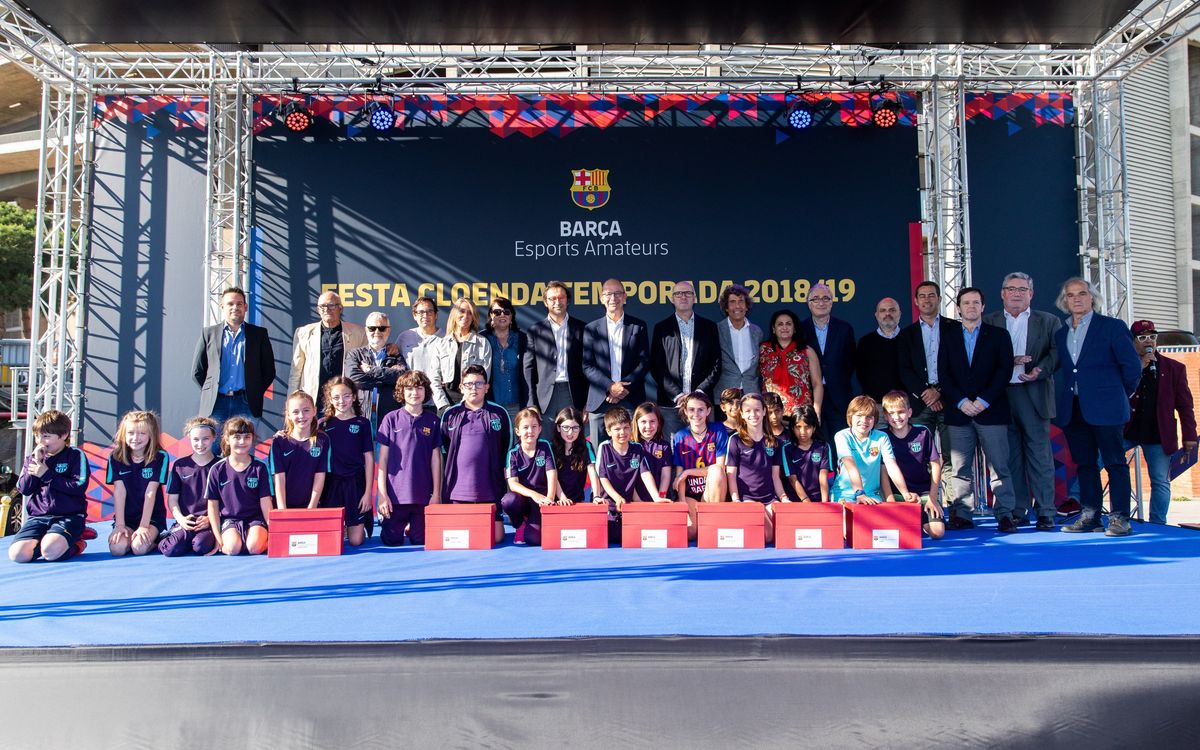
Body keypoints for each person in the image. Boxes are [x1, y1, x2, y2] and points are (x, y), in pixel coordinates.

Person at [1054, 278, 1143, 536]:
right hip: (1074, 408)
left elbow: (1132, 367)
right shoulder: (1062, 334)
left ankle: (1119, 519)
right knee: (1085, 464)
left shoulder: (1112, 327)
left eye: (1082, 294)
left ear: (1092, 298)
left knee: (1115, 463)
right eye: (1071, 295)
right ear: (1065, 301)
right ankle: (1090, 515)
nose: (1077, 299)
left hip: (1108, 408)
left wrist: (1118, 395)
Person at [982, 272, 1063, 529]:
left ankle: (1046, 511)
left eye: (1022, 289)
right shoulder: (989, 321)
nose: (1016, 293)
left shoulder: (1049, 321)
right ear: (1002, 293)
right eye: (1011, 288)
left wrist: (1040, 369)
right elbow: (980, 358)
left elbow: (1057, 353)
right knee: (1010, 458)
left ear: (1031, 293)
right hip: (1001, 397)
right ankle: (1017, 509)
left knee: (1040, 456)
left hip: (1035, 395)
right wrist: (1007, 362)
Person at [940, 287, 1019, 532]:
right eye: (966, 303)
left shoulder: (999, 335)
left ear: (983, 307)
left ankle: (1005, 514)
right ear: (959, 308)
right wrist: (962, 401)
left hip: (992, 410)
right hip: (958, 412)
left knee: (999, 466)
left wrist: (983, 401)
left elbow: (1004, 371)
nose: (971, 306)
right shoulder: (949, 335)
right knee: (960, 468)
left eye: (976, 302)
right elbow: (944, 373)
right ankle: (963, 514)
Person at [1125, 319, 1197, 525]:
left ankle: (1158, 523)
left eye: (1152, 337)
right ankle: (1113, 516)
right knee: (1100, 462)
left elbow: (1185, 406)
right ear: (1133, 342)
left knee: (1160, 481)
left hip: (1158, 433)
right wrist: (1139, 367)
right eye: (1142, 337)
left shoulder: (1174, 368)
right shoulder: (1126, 366)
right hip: (1126, 429)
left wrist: (1190, 436)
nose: (1148, 341)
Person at [441, 364, 511, 544]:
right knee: (458, 538)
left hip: (489, 488)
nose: (474, 388)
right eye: (469, 384)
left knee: (496, 537)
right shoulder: (450, 414)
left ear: (487, 387)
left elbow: (507, 446)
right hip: (458, 490)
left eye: (479, 384)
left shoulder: (499, 413)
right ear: (461, 387)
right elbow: (444, 449)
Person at [9, 410, 91, 563]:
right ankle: (49, 541)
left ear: (64, 435)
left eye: (46, 436)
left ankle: (77, 543)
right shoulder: (34, 458)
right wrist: (35, 463)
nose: (41, 441)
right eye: (37, 436)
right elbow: (24, 489)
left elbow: (78, 486)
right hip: (38, 517)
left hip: (68, 516)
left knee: (51, 552)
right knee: (18, 555)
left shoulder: (75, 455)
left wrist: (47, 475)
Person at [192, 286, 277, 432]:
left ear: (245, 307)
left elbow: (269, 371)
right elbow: (198, 371)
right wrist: (211, 391)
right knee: (213, 451)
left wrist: (253, 391)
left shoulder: (259, 334)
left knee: (244, 450)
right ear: (222, 307)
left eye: (239, 304)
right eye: (230, 304)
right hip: (216, 404)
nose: (235, 307)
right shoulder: (209, 333)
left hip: (246, 403)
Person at [897, 280, 957, 477]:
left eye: (931, 295)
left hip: (950, 400)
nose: (927, 300)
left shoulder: (955, 329)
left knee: (953, 457)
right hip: (921, 403)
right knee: (919, 456)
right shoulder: (906, 334)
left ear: (939, 299)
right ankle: (925, 503)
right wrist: (927, 394)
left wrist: (939, 392)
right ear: (915, 301)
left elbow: (960, 366)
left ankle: (952, 504)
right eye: (922, 296)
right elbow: (904, 369)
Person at [376, 370, 442, 546]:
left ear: (425, 391)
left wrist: (436, 494)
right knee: (392, 541)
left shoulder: (433, 421)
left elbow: (436, 460)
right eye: (409, 389)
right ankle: (392, 523)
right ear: (401, 392)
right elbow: (382, 461)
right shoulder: (390, 419)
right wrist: (382, 496)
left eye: (419, 388)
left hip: (422, 496)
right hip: (396, 497)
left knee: (421, 540)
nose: (415, 393)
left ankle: (412, 527)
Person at [583, 278, 650, 446]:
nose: (613, 298)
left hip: (630, 397)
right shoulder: (591, 328)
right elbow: (587, 366)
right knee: (600, 456)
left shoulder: (638, 326)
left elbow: (644, 362)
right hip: (600, 400)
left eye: (617, 293)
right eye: (608, 294)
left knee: (632, 452)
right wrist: (610, 387)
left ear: (625, 297)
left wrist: (622, 388)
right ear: (601, 298)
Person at [650, 280, 722, 436]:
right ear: (672, 299)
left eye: (688, 293)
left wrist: (699, 393)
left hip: (703, 404)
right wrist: (678, 395)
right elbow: (657, 366)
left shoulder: (709, 327)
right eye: (678, 294)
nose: (683, 297)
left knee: (706, 450)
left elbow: (716, 365)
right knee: (674, 449)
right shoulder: (661, 328)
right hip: (671, 404)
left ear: (694, 298)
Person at [523, 281, 588, 435]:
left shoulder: (582, 328)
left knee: (573, 442)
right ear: (546, 302)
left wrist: (588, 403)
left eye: (561, 297)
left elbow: (589, 366)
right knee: (546, 442)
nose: (557, 302)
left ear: (568, 300)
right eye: (552, 298)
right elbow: (528, 369)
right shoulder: (535, 331)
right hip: (545, 397)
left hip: (573, 394)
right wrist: (531, 403)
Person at [830, 396, 919, 506]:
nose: (864, 421)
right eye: (859, 415)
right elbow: (850, 466)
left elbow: (891, 466)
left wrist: (905, 494)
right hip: (844, 495)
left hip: (872, 495)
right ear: (850, 417)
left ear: (875, 420)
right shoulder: (842, 436)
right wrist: (860, 493)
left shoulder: (882, 437)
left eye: (869, 417)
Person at [880, 391, 946, 539]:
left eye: (901, 412)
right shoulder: (882, 436)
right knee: (897, 534)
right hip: (897, 495)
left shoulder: (922, 432)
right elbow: (883, 470)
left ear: (909, 412)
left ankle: (921, 518)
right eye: (891, 413)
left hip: (923, 493)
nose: (896, 417)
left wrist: (933, 498)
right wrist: (889, 499)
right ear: (885, 416)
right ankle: (910, 518)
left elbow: (935, 464)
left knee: (937, 533)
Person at [320, 376, 375, 547]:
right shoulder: (323, 424)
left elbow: (369, 458)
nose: (341, 401)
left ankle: (352, 525)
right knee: (330, 542)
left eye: (346, 396)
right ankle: (338, 525)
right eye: (336, 397)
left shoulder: (363, 423)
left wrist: (367, 493)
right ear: (330, 399)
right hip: (331, 484)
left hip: (355, 483)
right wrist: (282, 434)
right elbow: (298, 435)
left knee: (356, 541)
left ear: (353, 397)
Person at [288, 290, 367, 410]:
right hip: (314, 400)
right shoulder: (303, 333)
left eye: (331, 305)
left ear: (340, 308)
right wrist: (291, 400)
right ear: (318, 309)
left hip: (343, 402)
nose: (326, 309)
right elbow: (296, 371)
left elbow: (366, 363)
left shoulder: (358, 333)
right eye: (322, 306)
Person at [726, 393, 788, 544]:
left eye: (757, 410)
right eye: (748, 411)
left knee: (786, 532)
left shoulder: (773, 441)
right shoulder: (735, 440)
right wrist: (736, 500)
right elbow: (731, 475)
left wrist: (784, 499)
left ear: (764, 411)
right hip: (748, 499)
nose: (753, 414)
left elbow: (775, 476)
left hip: (769, 499)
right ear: (741, 413)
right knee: (767, 535)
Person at [206, 416, 273, 555]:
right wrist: (218, 538)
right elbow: (212, 506)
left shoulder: (260, 467)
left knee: (255, 548)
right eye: (237, 437)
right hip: (230, 520)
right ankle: (236, 540)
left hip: (255, 518)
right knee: (232, 549)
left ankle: (256, 538)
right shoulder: (217, 469)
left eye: (247, 437)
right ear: (227, 439)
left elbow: (266, 502)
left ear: (252, 439)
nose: (242, 442)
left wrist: (273, 530)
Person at [106, 410, 170, 556]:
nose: (136, 438)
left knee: (139, 548)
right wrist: (120, 525)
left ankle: (157, 539)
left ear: (151, 435)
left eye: (142, 433)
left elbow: (151, 492)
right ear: (124, 434)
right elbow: (119, 491)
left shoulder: (160, 457)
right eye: (131, 433)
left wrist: (143, 526)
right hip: (127, 518)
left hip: (151, 518)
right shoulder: (115, 457)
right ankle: (129, 533)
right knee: (117, 549)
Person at [158, 416, 220, 557]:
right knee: (171, 550)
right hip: (187, 521)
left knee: (200, 546)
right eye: (196, 440)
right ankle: (169, 536)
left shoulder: (221, 465)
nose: (200, 444)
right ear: (189, 439)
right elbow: (172, 500)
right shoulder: (180, 465)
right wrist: (181, 519)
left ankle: (195, 540)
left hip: (208, 522)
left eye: (205, 439)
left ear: (214, 438)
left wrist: (210, 520)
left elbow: (227, 501)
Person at [672, 390, 730, 539]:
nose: (696, 414)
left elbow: (720, 466)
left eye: (700, 409)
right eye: (691, 409)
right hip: (691, 493)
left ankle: (714, 520)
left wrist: (688, 471)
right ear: (685, 411)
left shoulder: (718, 430)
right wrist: (682, 502)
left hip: (711, 490)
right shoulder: (680, 436)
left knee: (716, 471)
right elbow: (679, 476)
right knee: (693, 533)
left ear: (708, 411)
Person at [800, 283, 856, 436]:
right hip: (810, 396)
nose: (821, 302)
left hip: (839, 396)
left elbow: (850, 362)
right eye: (815, 299)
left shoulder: (845, 329)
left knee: (840, 441)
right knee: (813, 441)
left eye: (825, 298)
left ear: (831, 303)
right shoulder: (800, 329)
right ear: (809, 304)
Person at [502, 407, 561, 546]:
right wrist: (533, 495)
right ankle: (519, 524)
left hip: (541, 501)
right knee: (508, 501)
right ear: (517, 431)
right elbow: (513, 484)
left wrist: (550, 499)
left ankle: (534, 521)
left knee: (534, 540)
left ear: (540, 429)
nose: (530, 431)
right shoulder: (513, 453)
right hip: (524, 498)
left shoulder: (544, 446)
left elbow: (552, 473)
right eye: (525, 427)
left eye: (534, 426)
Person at [344, 311, 406, 429]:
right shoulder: (355, 354)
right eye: (372, 328)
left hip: (389, 419)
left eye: (382, 328)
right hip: (361, 415)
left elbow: (401, 378)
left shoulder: (396, 355)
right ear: (366, 330)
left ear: (388, 330)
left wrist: (371, 370)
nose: (377, 332)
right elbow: (354, 379)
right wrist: (387, 379)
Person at [269, 391, 330, 510]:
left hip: (311, 507)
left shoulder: (322, 440)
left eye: (306, 410)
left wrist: (311, 508)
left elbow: (320, 476)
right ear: (288, 415)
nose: (301, 416)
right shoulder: (279, 441)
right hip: (284, 506)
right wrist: (282, 510)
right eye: (295, 412)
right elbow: (279, 478)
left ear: (314, 411)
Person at [598, 407, 667, 511]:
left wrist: (656, 497)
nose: (622, 432)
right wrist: (617, 497)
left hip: (629, 504)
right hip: (608, 505)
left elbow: (645, 474)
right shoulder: (604, 447)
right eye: (617, 429)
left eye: (626, 427)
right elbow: (603, 478)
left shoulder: (637, 448)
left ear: (631, 427)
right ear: (608, 431)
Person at [431, 297, 493, 413]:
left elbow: (484, 378)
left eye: (470, 313)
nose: (466, 316)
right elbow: (434, 379)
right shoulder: (441, 344)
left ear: (474, 317)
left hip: (472, 404)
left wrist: (467, 404)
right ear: (454, 314)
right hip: (446, 403)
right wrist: (444, 406)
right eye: (462, 311)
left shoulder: (482, 343)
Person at [759, 309, 823, 416]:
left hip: (801, 414)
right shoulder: (763, 350)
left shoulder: (807, 351)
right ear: (774, 329)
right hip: (770, 413)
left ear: (794, 329)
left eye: (788, 324)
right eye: (780, 324)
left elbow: (817, 384)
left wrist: (817, 411)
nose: (784, 327)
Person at [482, 296, 529, 424]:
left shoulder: (522, 339)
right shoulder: (482, 339)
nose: (502, 315)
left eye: (506, 312)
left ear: (512, 316)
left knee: (515, 442)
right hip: (490, 405)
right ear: (491, 315)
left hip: (516, 404)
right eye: (497, 312)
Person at [716, 283, 764, 399]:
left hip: (751, 394)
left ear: (747, 306)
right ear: (726, 308)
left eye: (741, 301)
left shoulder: (757, 332)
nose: (737, 306)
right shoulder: (716, 330)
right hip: (725, 395)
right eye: (732, 302)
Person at [855, 297, 904, 402]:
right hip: (876, 405)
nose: (887, 314)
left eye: (892, 310)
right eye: (883, 310)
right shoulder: (865, 342)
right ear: (876, 315)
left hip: (905, 405)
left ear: (899, 314)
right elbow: (861, 374)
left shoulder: (910, 339)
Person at [781, 404, 832, 503]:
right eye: (798, 427)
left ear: (814, 428)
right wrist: (807, 502)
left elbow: (823, 476)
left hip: (819, 499)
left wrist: (825, 503)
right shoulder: (787, 448)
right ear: (792, 428)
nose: (802, 431)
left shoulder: (823, 446)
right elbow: (792, 479)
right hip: (795, 500)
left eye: (807, 427)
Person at [551, 407, 600, 505]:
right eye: (565, 427)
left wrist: (596, 496)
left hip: (577, 501)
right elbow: (552, 476)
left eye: (575, 428)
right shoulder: (550, 447)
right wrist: (562, 498)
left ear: (580, 428)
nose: (570, 432)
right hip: (557, 501)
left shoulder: (586, 445)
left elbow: (592, 471)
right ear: (558, 428)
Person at [632, 402, 674, 500]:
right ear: (636, 422)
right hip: (636, 500)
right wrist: (637, 500)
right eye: (643, 422)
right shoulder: (631, 446)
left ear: (659, 422)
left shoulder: (664, 446)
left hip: (660, 498)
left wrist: (661, 497)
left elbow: (665, 475)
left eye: (652, 421)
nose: (648, 426)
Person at [397, 296, 444, 377]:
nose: (425, 315)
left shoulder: (447, 338)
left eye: (430, 311)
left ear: (436, 315)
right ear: (414, 315)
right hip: (412, 388)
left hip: (438, 389)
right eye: (421, 312)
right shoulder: (404, 337)